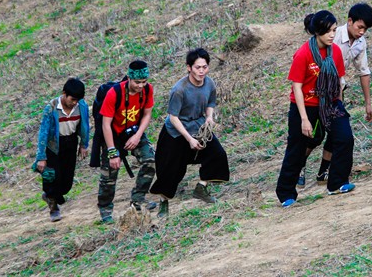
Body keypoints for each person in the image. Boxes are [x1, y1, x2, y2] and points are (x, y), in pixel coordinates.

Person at [276, 10, 356, 207]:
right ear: (318, 31)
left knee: (345, 137)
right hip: (305, 105)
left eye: (334, 31)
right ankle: (286, 192)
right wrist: (304, 119)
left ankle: (337, 183)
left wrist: (339, 105)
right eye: (328, 31)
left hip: (329, 102)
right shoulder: (303, 53)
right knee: (296, 148)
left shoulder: (335, 51)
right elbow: (296, 86)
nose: (332, 35)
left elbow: (338, 80)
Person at [298, 3, 372, 187]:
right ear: (350, 21)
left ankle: (324, 172)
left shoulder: (360, 43)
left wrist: (368, 103)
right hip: (317, 93)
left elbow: (363, 71)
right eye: (360, 27)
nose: (362, 32)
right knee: (315, 135)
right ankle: (299, 166)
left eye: (366, 29)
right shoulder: (332, 37)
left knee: (336, 133)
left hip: (337, 91)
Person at [150, 48, 230, 217]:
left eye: (205, 67)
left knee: (217, 154)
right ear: (189, 68)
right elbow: (173, 117)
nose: (202, 71)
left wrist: (209, 117)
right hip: (176, 132)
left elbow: (211, 103)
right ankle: (164, 202)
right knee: (171, 170)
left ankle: (201, 188)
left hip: (198, 127)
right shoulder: (179, 89)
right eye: (197, 67)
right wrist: (189, 139)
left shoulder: (209, 83)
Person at [97, 60, 156, 223]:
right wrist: (112, 151)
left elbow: (147, 115)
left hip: (134, 131)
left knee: (151, 160)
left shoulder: (147, 90)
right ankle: (105, 208)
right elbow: (105, 124)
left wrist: (138, 136)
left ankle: (138, 199)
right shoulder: (114, 93)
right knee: (110, 172)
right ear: (129, 78)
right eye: (137, 82)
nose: (140, 86)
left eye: (144, 82)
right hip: (113, 135)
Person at [34, 78, 90, 222]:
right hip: (53, 146)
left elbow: (85, 126)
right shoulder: (52, 108)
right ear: (64, 94)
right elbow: (43, 132)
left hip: (70, 143)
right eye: (72, 99)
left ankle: (51, 194)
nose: (74, 103)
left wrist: (83, 145)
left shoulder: (81, 106)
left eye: (77, 100)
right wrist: (41, 156)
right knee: (53, 177)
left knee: (67, 182)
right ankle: (53, 206)